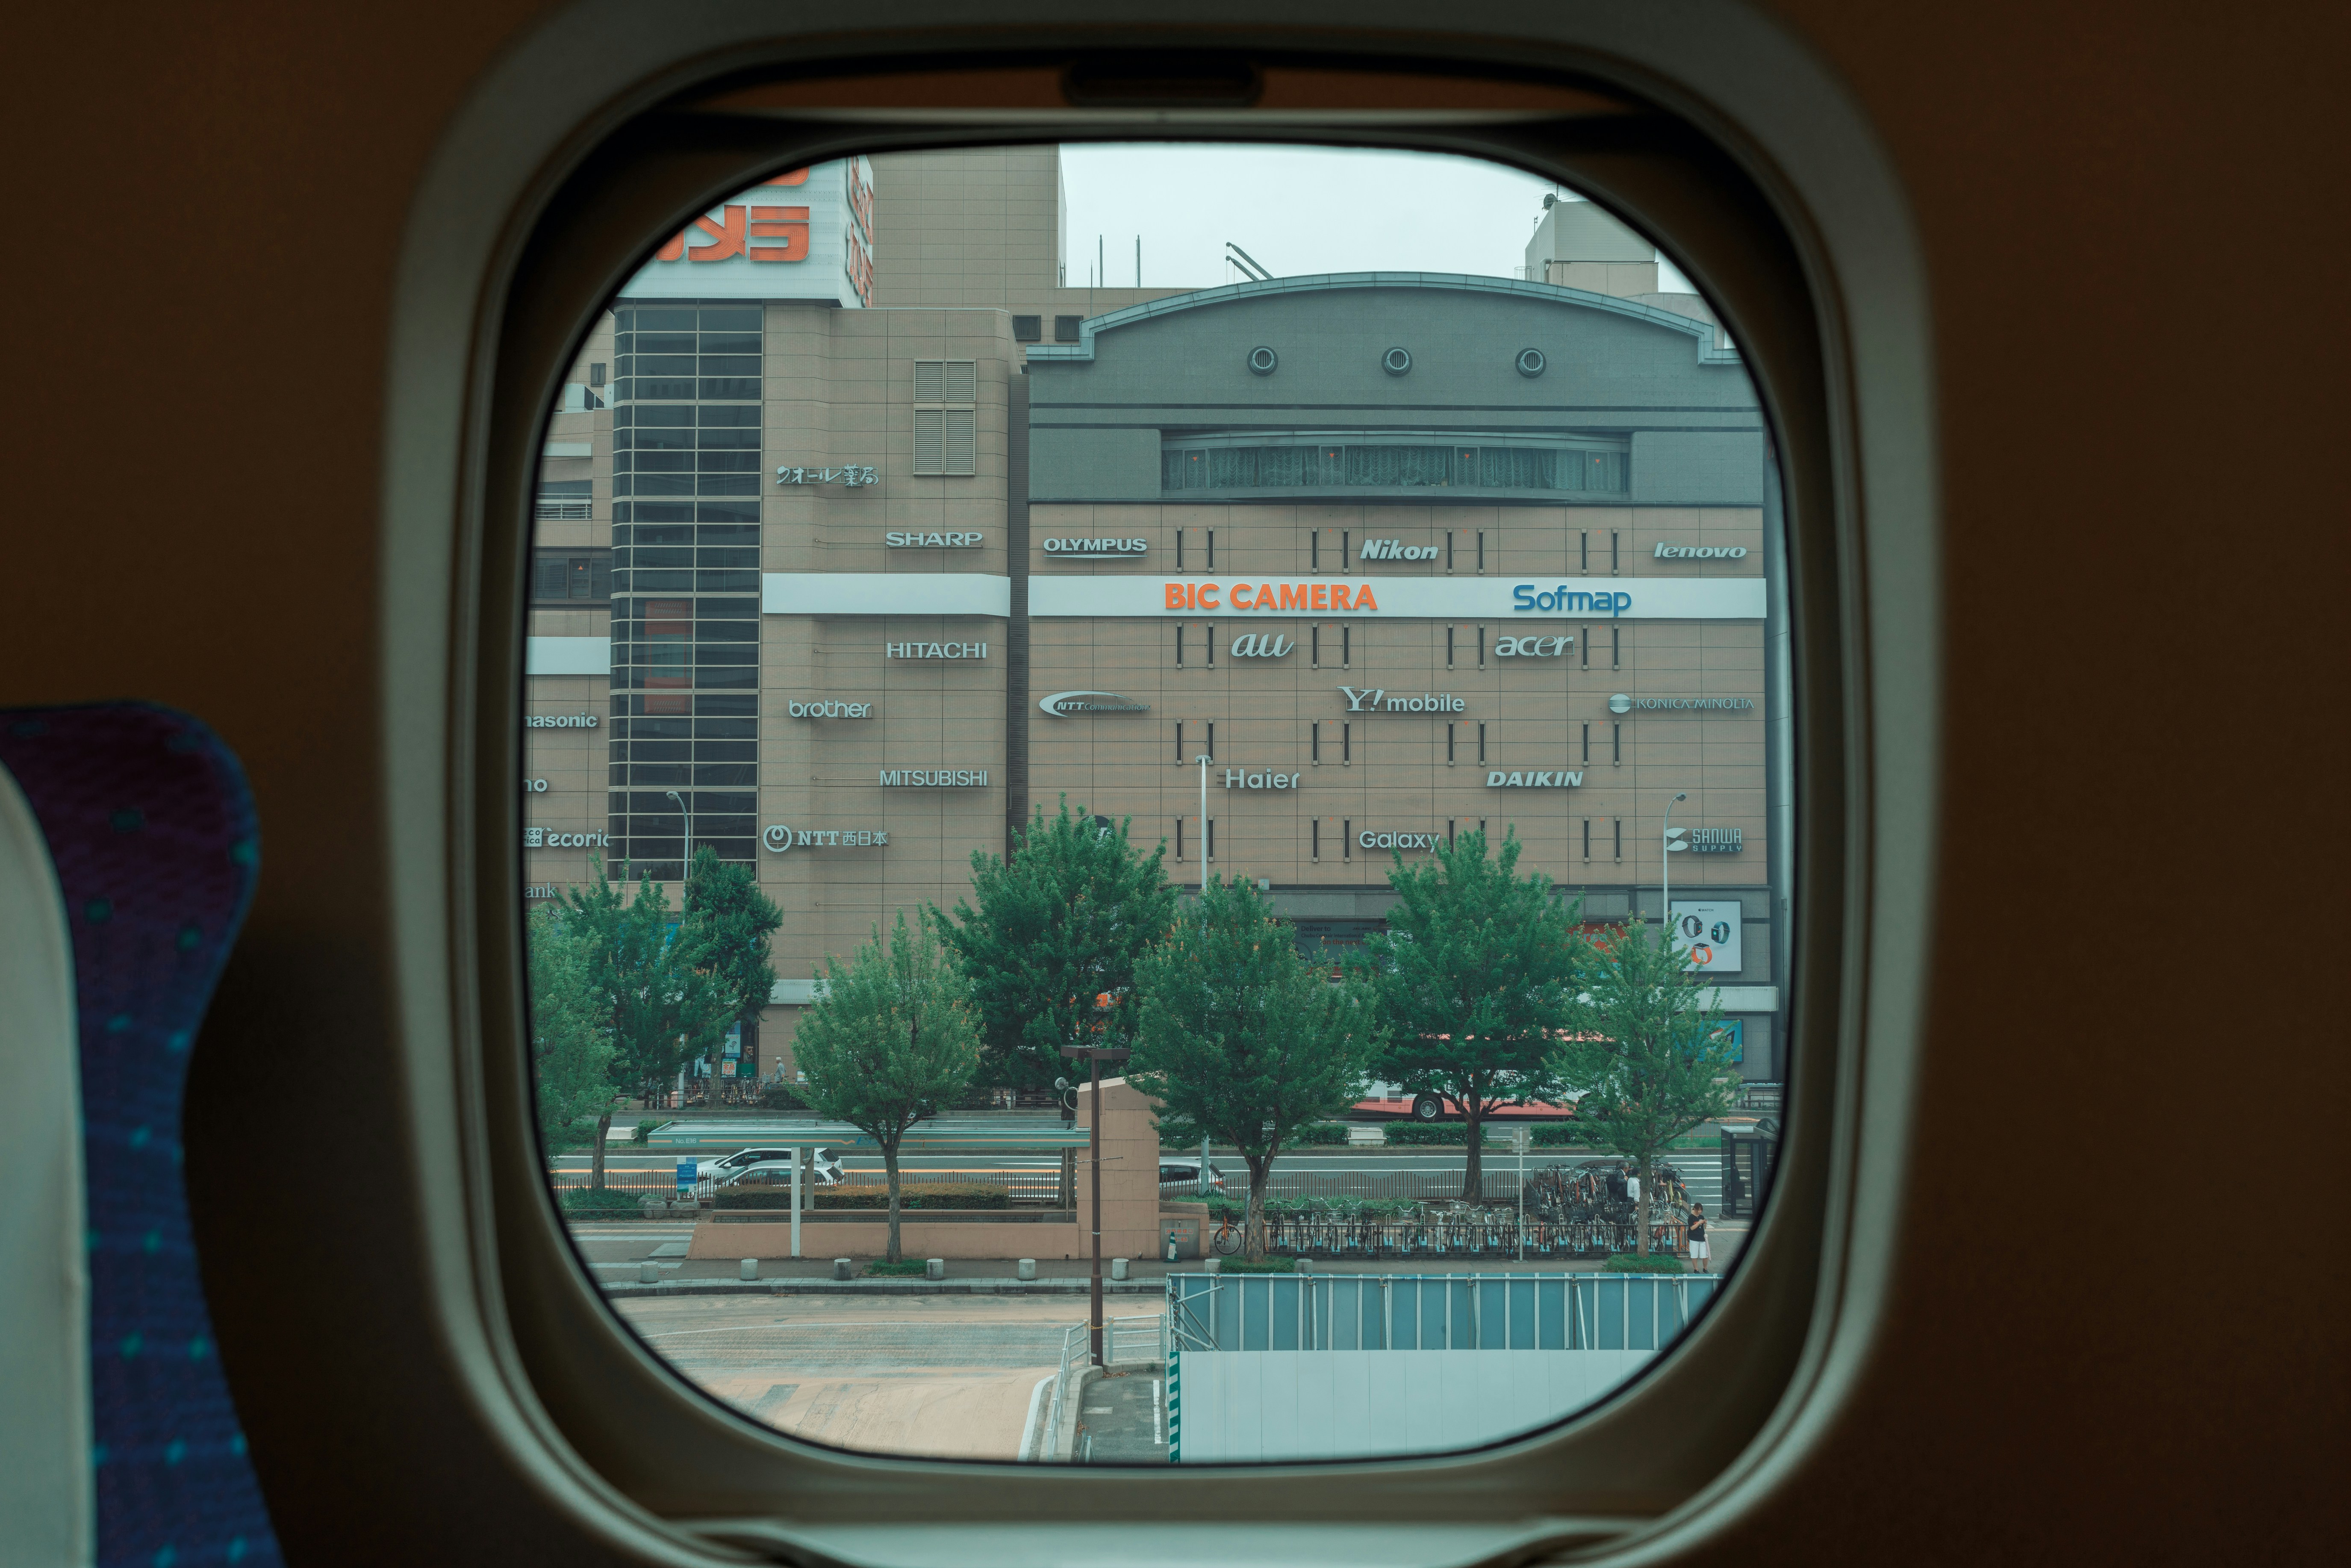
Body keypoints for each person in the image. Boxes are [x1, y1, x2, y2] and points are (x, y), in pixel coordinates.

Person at [1688, 1203, 1710, 1273]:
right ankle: (1696, 1269)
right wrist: (1699, 1223)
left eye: (1701, 1210)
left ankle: (1705, 1268)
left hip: (1702, 1238)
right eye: (1699, 1210)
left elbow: (1705, 1228)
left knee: (1705, 1255)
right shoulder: (1691, 1217)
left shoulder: (1702, 1217)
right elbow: (1692, 1228)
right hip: (1694, 1238)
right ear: (1695, 1209)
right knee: (1694, 1255)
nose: (1700, 1212)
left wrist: (1705, 1223)